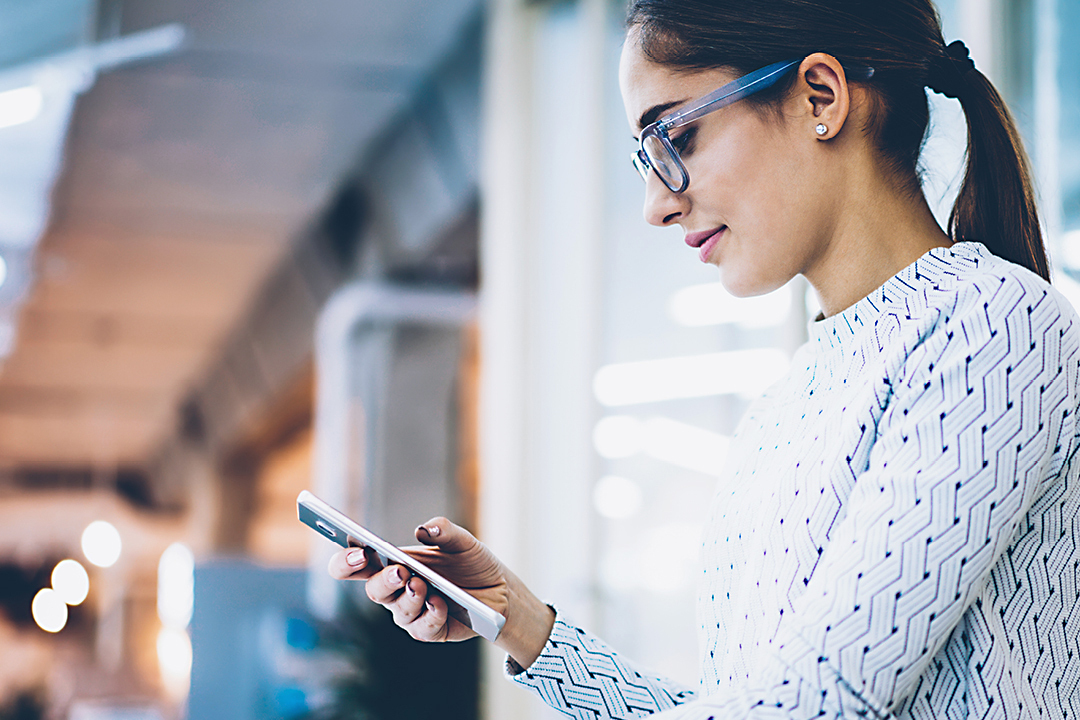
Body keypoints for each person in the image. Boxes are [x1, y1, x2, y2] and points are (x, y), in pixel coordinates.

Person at [329, 0, 1080, 716]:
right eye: (643, 157)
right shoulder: (783, 406)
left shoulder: (991, 323)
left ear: (821, 95)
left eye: (674, 140)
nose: (656, 203)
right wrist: (526, 624)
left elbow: (819, 704)